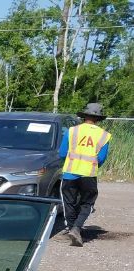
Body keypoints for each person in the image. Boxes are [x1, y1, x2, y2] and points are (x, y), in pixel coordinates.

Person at [58, 103, 112, 247]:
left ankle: (72, 228)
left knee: (69, 203)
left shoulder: (72, 131)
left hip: (70, 173)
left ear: (84, 116)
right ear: (98, 119)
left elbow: (62, 153)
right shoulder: (104, 135)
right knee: (87, 203)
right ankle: (77, 228)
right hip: (89, 174)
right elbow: (101, 159)